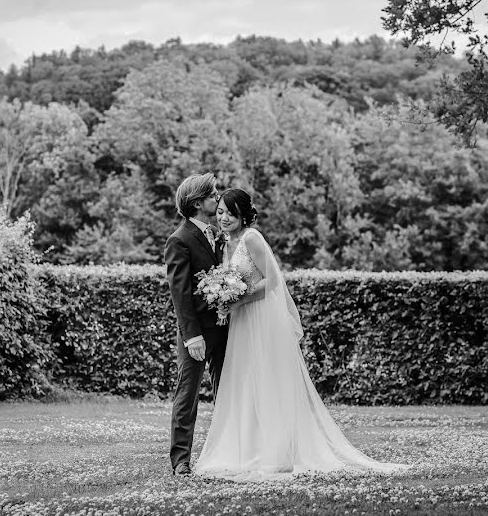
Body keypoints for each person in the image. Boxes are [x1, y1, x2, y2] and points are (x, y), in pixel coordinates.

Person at [194, 188, 407, 480]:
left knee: (268, 380)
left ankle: (279, 452)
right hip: (241, 321)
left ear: (243, 214)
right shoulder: (224, 242)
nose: (224, 218)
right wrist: (225, 297)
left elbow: (271, 281)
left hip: (260, 317)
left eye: (230, 213)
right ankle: (248, 449)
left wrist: (238, 297)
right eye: (220, 212)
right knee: (244, 380)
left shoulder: (251, 238)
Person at [164, 173, 228, 476]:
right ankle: (181, 462)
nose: (218, 198)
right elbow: (180, 294)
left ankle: (230, 451)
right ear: (197, 202)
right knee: (187, 394)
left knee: (228, 392)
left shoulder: (218, 233)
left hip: (225, 328)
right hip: (197, 334)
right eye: (212, 194)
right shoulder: (179, 240)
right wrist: (192, 336)